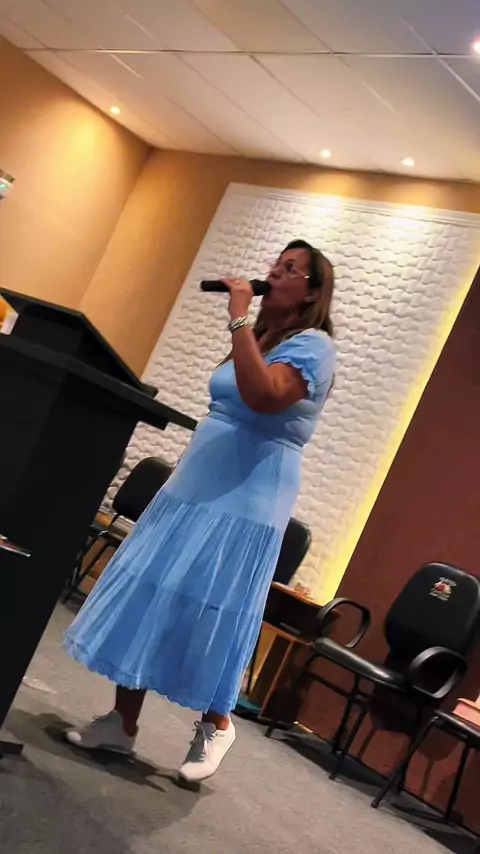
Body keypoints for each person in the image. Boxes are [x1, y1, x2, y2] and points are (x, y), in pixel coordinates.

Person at [63, 238, 336, 783]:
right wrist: (247, 328)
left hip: (249, 496)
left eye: (289, 269)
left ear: (312, 292)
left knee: (210, 608)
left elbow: (264, 397)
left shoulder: (314, 346)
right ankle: (122, 722)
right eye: (275, 263)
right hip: (194, 484)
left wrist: (238, 320)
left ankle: (216, 723)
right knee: (151, 591)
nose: (273, 273)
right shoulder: (260, 336)